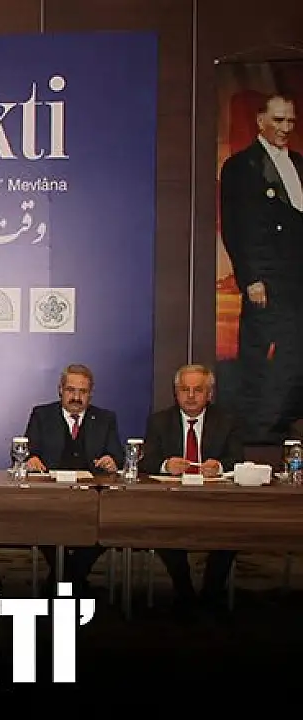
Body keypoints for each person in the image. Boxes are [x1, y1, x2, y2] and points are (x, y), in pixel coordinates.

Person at [219, 93, 303, 444]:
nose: (286, 127)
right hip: (265, 281)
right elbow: (236, 228)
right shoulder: (241, 166)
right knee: (258, 356)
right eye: (279, 120)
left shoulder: (298, 163)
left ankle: (284, 428)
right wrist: (251, 277)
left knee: (293, 355)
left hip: (296, 279)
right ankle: (254, 435)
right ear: (260, 121)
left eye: (291, 121)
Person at [140, 364, 245, 619]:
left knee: (231, 534)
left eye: (197, 390)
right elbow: (146, 461)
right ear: (175, 392)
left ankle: (211, 593)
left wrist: (219, 467)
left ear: (209, 394)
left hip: (215, 502)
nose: (190, 396)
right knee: (164, 530)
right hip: (173, 502)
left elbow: (237, 459)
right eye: (184, 390)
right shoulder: (159, 421)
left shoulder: (227, 421)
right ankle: (184, 591)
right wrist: (166, 465)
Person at [23, 363, 124, 594]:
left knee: (107, 526)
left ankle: (64, 579)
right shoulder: (42, 415)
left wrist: (111, 460)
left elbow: (117, 455)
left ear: (91, 393)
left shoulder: (105, 418)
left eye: (83, 392)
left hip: (94, 498)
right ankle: (73, 581)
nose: (76, 397)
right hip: (52, 496)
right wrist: (32, 459)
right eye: (70, 390)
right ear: (60, 390)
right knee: (41, 522)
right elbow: (28, 451)